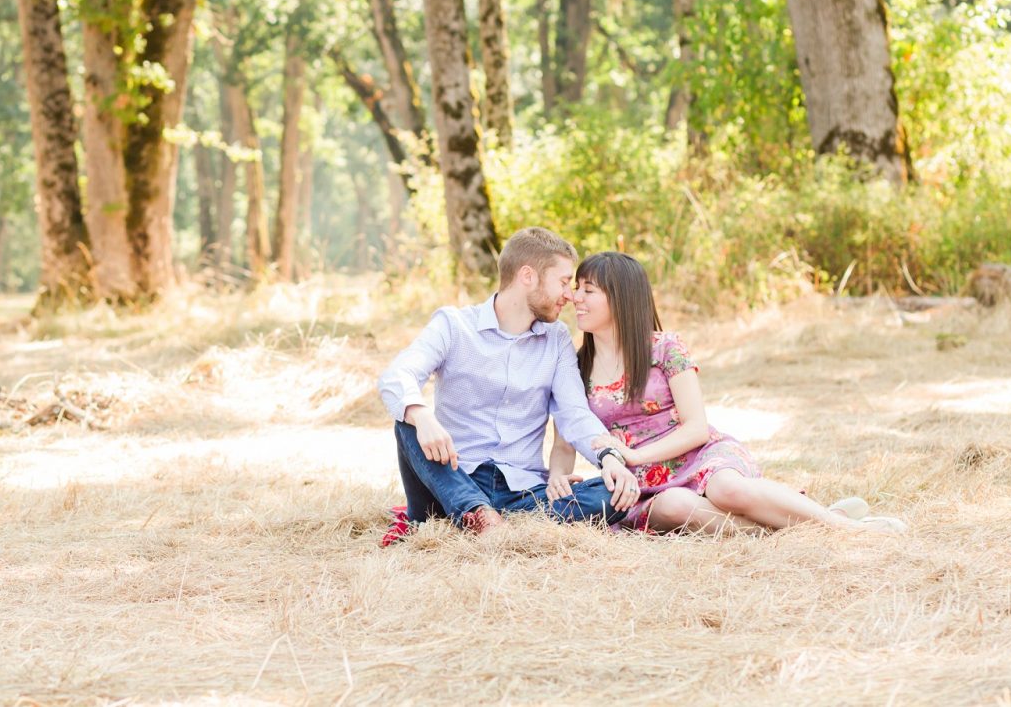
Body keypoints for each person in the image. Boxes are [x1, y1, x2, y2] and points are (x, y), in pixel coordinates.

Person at [548, 250, 905, 534]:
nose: (574, 297)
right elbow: (566, 439)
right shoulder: (576, 367)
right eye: (576, 287)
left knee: (726, 491)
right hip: (639, 484)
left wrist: (634, 455)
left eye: (587, 290)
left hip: (697, 456)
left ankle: (848, 530)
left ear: (620, 298)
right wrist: (558, 477)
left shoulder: (664, 348)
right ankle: (801, 525)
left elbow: (696, 428)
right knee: (674, 506)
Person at [376, 228, 641, 546]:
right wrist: (421, 415)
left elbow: (574, 413)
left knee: (615, 494)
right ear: (528, 276)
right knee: (407, 418)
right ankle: (475, 511)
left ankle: (494, 521)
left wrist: (609, 456)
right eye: (563, 282)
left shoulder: (556, 340)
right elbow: (396, 376)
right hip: (450, 481)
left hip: (522, 493)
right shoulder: (455, 325)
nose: (570, 295)